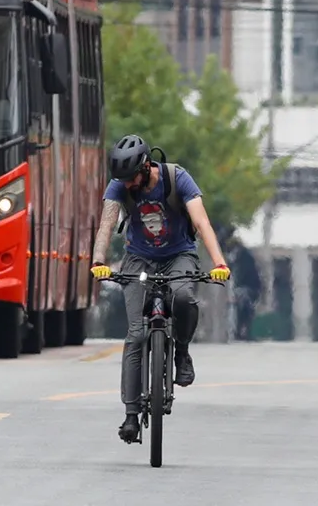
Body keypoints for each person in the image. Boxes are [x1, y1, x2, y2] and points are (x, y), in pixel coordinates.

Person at [89, 134, 232, 444]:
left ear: (146, 167)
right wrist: (99, 261)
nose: (126, 185)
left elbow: (202, 221)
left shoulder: (176, 178)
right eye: (121, 180)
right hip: (138, 258)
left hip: (179, 255)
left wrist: (219, 262)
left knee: (184, 297)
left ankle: (181, 352)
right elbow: (106, 224)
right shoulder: (118, 185)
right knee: (137, 334)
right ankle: (130, 415)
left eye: (131, 179)